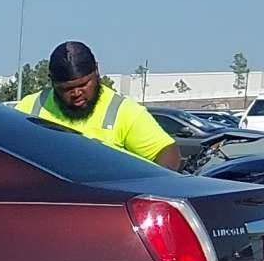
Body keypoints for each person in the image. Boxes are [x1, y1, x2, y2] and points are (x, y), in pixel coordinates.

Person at [17, 41, 183, 171]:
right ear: (52, 81)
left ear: (96, 72)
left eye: (83, 85)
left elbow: (167, 152)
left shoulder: (123, 111)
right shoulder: (29, 108)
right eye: (66, 89)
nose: (76, 94)